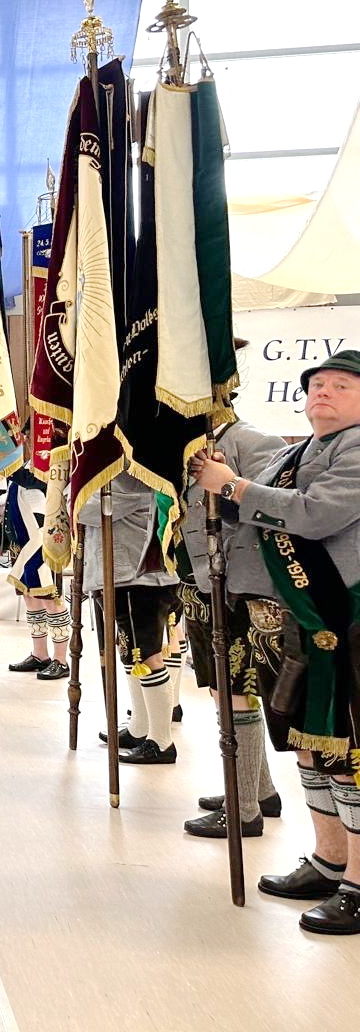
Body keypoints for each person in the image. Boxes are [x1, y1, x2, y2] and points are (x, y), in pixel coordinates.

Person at [195, 349, 360, 933]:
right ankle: (330, 859)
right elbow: (254, 514)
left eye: (341, 385)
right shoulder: (295, 453)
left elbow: (315, 515)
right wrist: (223, 493)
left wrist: (236, 487)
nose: (323, 392)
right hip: (302, 623)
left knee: (350, 753)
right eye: (316, 385)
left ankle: (359, 883)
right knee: (312, 746)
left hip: (347, 623)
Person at [177, 407, 286, 838]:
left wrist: (225, 486)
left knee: (237, 691)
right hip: (202, 580)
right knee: (221, 688)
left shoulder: (253, 441)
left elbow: (272, 512)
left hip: (240, 584)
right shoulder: (182, 446)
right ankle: (260, 791)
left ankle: (242, 810)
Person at [83, 473, 183, 765]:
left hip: (137, 575)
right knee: (131, 652)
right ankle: (141, 726)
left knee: (147, 656)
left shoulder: (132, 474)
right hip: (125, 573)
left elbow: (88, 508)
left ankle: (161, 741)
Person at [2, 466, 71, 680]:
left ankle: (61, 660)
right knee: (30, 596)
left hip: (42, 535)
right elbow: (14, 496)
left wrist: (3, 465)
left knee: (51, 597)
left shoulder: (51, 455)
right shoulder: (23, 459)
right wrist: (1, 533)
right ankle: (40, 654)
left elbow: (40, 481)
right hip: (22, 536)